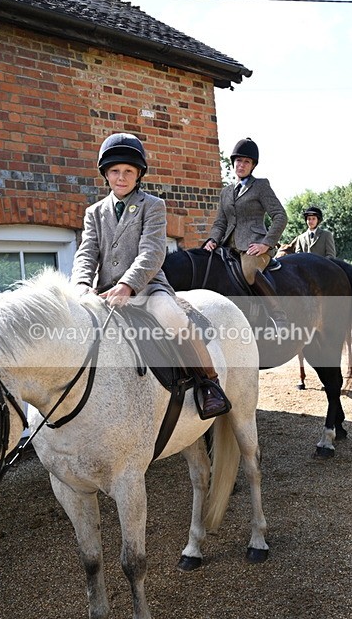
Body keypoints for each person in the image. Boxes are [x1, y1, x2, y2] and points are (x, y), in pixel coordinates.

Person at [71, 132, 229, 419]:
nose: (121, 177)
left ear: (138, 174)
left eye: (128, 171)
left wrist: (127, 285)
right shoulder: (93, 212)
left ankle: (209, 383)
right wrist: (82, 285)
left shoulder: (153, 205)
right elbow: (86, 252)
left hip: (148, 288)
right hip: (104, 292)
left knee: (172, 315)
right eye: (115, 171)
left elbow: (152, 253)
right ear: (106, 174)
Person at [203, 137, 288, 329]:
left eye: (246, 162)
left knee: (249, 271)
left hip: (254, 246)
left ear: (252, 166)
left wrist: (266, 243)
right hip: (227, 247)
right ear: (233, 163)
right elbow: (220, 222)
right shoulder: (226, 192)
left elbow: (280, 216)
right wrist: (212, 240)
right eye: (238, 161)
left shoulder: (261, 186)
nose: (241, 165)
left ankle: (278, 315)